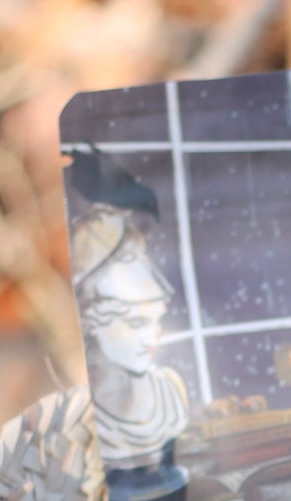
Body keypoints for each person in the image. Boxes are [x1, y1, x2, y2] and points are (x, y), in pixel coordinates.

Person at [67, 154, 190, 470]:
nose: (153, 338)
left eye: (157, 320)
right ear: (92, 321)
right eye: (135, 322)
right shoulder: (82, 416)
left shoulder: (169, 392)